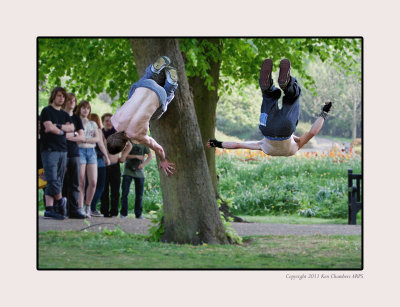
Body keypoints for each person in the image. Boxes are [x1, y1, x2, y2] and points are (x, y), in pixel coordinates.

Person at [207, 59, 333, 156]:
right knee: (268, 97)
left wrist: (325, 112)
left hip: (286, 127)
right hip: (266, 128)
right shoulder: (263, 146)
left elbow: (312, 132)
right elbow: (237, 145)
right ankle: (267, 87)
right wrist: (216, 143)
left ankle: (287, 84)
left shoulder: (294, 148)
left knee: (292, 98)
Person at [107, 56, 177, 176]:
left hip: (160, 95)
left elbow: (159, 149)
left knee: (160, 110)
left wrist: (163, 160)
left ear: (124, 146)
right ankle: (152, 72)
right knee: (131, 95)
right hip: (144, 85)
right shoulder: (114, 120)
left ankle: (171, 85)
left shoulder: (138, 137)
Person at [39, 86, 74, 219]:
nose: (61, 98)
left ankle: (49, 209)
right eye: (59, 95)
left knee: (58, 180)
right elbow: (48, 127)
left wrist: (58, 127)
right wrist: (62, 131)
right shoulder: (46, 111)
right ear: (53, 96)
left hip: (63, 150)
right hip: (49, 150)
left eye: (63, 96)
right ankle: (60, 201)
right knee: (52, 178)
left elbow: (71, 128)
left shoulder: (64, 114)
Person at [61, 93, 86, 219]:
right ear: (65, 101)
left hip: (75, 153)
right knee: (62, 181)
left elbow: (82, 137)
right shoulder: (59, 115)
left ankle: (74, 209)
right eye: (70, 100)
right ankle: (61, 208)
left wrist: (67, 134)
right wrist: (74, 134)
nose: (72, 102)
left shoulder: (77, 119)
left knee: (75, 182)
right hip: (61, 152)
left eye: (74, 100)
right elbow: (58, 135)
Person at [100, 113, 129, 217]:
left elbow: (129, 145)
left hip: (115, 165)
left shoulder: (117, 133)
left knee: (115, 190)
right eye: (106, 120)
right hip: (103, 166)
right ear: (102, 122)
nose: (108, 122)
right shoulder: (101, 133)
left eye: (110, 120)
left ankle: (114, 212)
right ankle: (104, 211)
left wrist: (123, 156)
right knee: (104, 190)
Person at [76, 100, 99, 218]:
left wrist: (84, 139)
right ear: (79, 109)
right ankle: (80, 207)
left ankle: (88, 205)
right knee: (81, 181)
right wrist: (84, 139)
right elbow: (75, 138)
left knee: (93, 182)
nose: (85, 110)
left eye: (88, 108)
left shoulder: (93, 124)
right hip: (79, 151)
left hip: (91, 152)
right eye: (83, 108)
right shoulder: (75, 122)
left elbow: (97, 139)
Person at [119, 140, 153, 219]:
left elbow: (150, 156)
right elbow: (123, 155)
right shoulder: (128, 141)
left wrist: (143, 165)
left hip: (140, 172)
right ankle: (123, 213)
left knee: (139, 195)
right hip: (127, 170)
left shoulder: (144, 142)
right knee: (125, 193)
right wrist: (136, 156)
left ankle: (139, 214)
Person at [88, 113, 110, 217]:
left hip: (87, 159)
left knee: (89, 185)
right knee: (100, 186)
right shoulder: (98, 131)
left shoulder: (86, 130)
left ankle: (86, 207)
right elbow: (101, 145)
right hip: (99, 160)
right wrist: (106, 157)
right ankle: (91, 208)